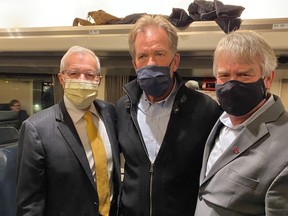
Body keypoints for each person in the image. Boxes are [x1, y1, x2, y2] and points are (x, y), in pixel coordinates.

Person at [115, 15, 222, 216]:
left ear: (175, 61)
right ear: (135, 64)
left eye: (159, 54)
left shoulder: (205, 110)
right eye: (142, 56)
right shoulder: (122, 108)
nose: (151, 63)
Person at [16, 46, 121, 216]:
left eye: (89, 74)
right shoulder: (36, 129)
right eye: (73, 73)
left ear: (99, 80)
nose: (82, 80)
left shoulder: (110, 113)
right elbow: (30, 203)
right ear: (61, 78)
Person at [195, 30, 288, 215]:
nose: (232, 85)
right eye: (224, 75)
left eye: (244, 75)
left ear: (268, 78)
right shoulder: (219, 120)